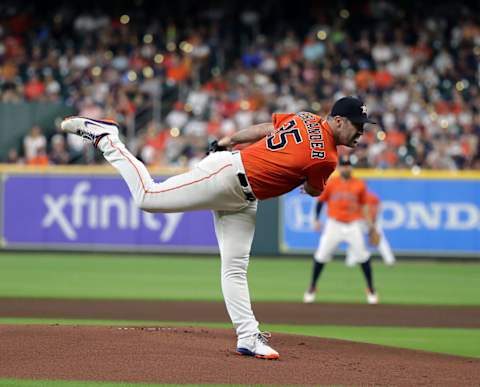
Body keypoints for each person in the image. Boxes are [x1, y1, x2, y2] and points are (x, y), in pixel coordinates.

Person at [60, 96, 375, 360]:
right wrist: (303, 180)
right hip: (228, 176)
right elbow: (315, 189)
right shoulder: (328, 158)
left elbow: (268, 128)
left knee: (235, 268)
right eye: (357, 125)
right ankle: (107, 138)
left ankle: (248, 337)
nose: (361, 133)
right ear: (336, 120)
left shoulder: (305, 117)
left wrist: (230, 139)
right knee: (147, 197)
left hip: (241, 194)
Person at [303, 156, 379, 305]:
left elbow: (364, 206)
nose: (346, 168)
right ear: (340, 168)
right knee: (321, 255)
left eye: (348, 165)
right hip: (334, 224)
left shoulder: (359, 184)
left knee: (363, 257)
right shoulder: (332, 183)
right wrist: (316, 219)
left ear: (351, 167)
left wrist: (370, 225)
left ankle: (370, 289)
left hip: (353, 224)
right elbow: (320, 202)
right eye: (343, 165)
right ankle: (312, 287)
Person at [346, 190, 396, 266]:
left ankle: (389, 260)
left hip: (372, 221)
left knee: (380, 240)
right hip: (361, 221)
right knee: (355, 240)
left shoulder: (371, 197)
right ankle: (351, 261)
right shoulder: (355, 197)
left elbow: (378, 208)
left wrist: (373, 223)